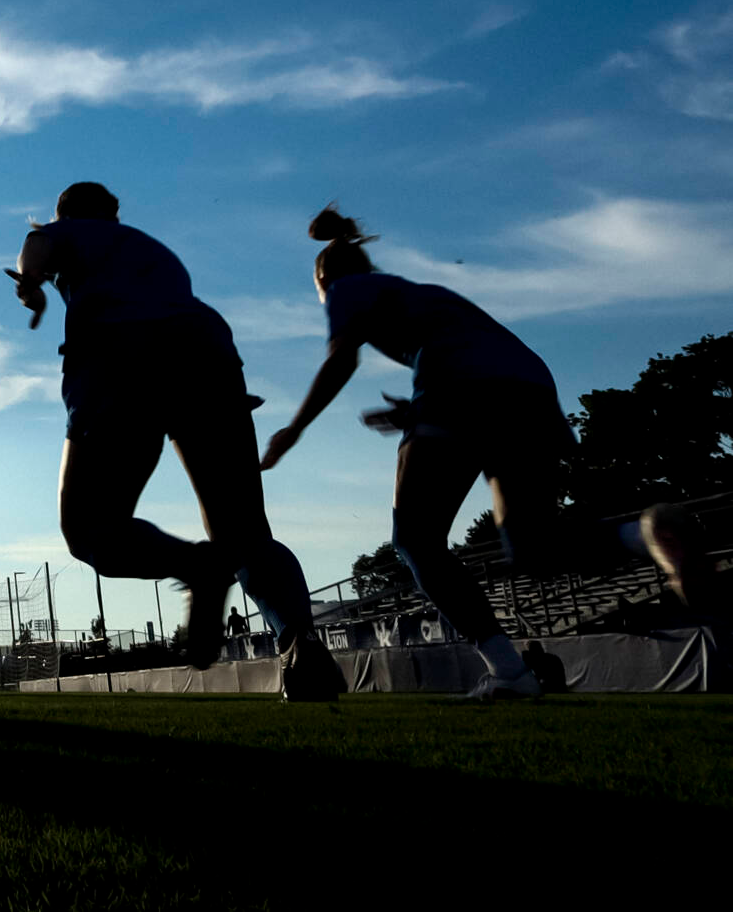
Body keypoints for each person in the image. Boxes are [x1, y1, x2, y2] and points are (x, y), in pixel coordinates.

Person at [261, 206, 717, 701]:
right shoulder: (423, 293)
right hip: (529, 387)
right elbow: (474, 353)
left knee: (417, 541)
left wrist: (295, 429)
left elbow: (342, 356)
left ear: (322, 278)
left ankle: (508, 671)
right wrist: (418, 414)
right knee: (532, 544)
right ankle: (646, 535)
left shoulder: (345, 288)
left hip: (457, 386)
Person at [10, 181, 345, 701]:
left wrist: (31, 283)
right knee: (244, 529)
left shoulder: (64, 232)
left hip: (120, 354)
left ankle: (198, 566)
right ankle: (301, 648)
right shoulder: (149, 247)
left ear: (64, 214)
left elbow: (39, 249)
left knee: (90, 530)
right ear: (115, 214)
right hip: (205, 349)